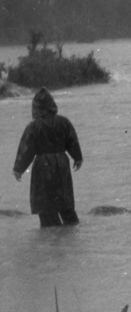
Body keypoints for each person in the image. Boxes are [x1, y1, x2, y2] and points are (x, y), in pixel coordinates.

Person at [12, 87, 83, 228]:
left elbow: (26, 149)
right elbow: (72, 141)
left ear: (35, 108)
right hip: (62, 164)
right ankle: (72, 233)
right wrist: (77, 158)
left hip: (42, 167)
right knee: (65, 202)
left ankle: (50, 239)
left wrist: (18, 169)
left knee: (45, 207)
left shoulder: (33, 127)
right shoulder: (64, 122)